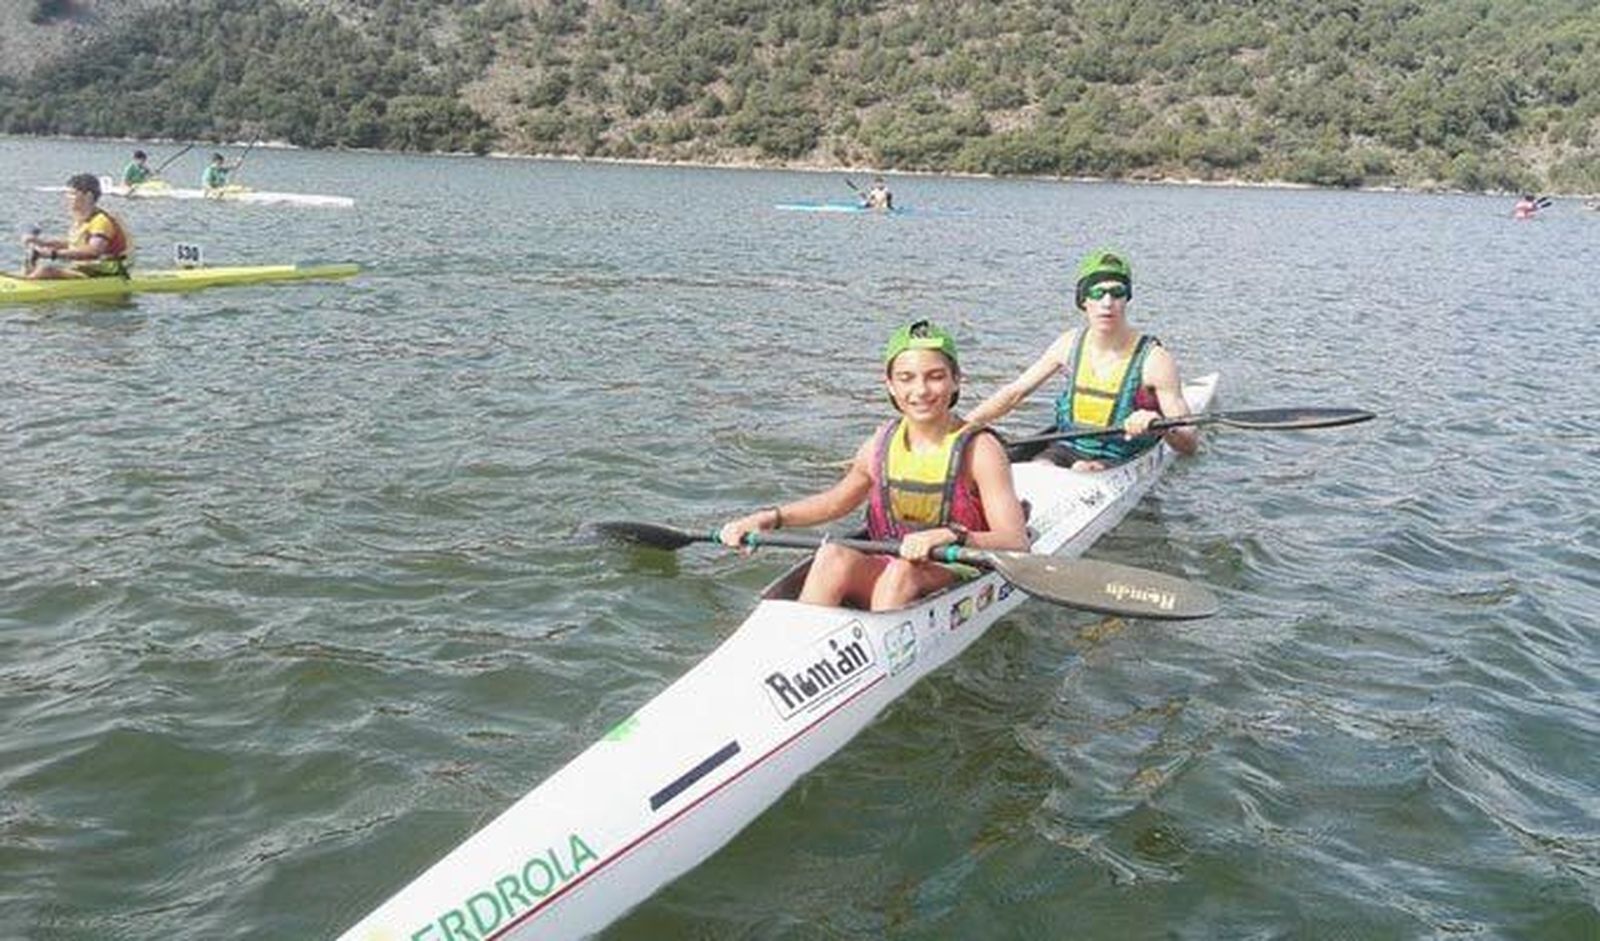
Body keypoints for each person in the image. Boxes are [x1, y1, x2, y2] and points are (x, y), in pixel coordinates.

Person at [719, 320, 1028, 611]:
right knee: (831, 556)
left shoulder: (981, 450)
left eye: (935, 376)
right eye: (906, 378)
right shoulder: (878, 444)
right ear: (890, 385)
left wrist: (951, 535)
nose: (920, 391)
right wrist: (769, 518)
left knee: (902, 575)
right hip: (891, 561)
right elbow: (835, 503)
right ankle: (797, 644)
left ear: (956, 380)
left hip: (956, 567)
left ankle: (882, 653)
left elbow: (1015, 541)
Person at [963, 247, 1199, 471]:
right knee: (1042, 466)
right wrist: (960, 427)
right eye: (1097, 293)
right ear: (1084, 301)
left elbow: (1189, 445)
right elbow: (1013, 394)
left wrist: (1159, 424)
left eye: (1117, 293)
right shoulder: (1067, 344)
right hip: (1067, 449)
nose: (1107, 303)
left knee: (1085, 469)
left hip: (1121, 456)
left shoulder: (1156, 361)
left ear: (1126, 299)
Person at [21, 173, 133, 280]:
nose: (67, 197)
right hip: (89, 270)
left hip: (107, 274)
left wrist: (53, 254)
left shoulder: (101, 221)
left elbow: (93, 252)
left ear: (88, 196)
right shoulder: (82, 220)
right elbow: (74, 244)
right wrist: (42, 243)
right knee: (31, 268)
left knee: (46, 271)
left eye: (73, 194)